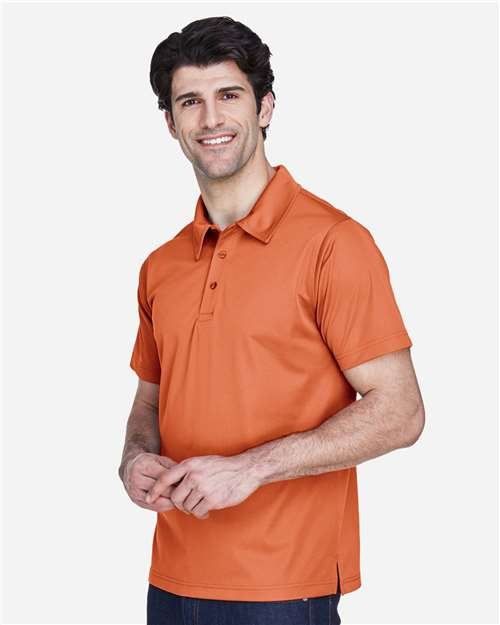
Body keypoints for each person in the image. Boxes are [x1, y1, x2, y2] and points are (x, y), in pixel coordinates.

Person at [118, 15, 425, 625]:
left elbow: (401, 411)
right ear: (171, 123)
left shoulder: (335, 244)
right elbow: (150, 402)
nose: (211, 118)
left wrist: (249, 470)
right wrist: (134, 459)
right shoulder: (161, 265)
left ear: (265, 107)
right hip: (170, 580)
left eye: (229, 95)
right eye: (190, 101)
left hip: (285, 588)